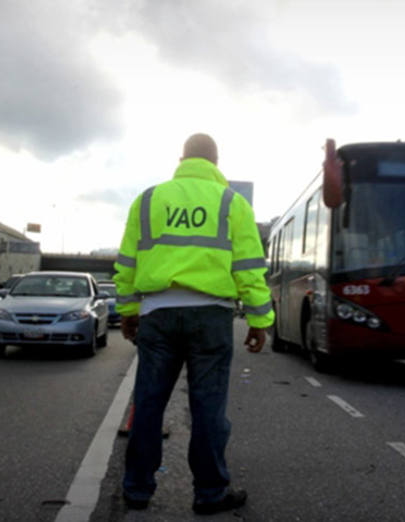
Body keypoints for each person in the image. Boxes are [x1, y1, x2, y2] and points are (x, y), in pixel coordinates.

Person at [113, 133, 274, 515]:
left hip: (158, 314)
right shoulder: (232, 203)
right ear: (217, 163)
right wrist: (258, 320)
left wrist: (129, 312)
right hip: (211, 316)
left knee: (149, 406)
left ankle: (136, 490)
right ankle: (210, 493)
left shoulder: (148, 200)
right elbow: (249, 267)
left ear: (181, 158)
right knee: (208, 410)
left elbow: (127, 263)